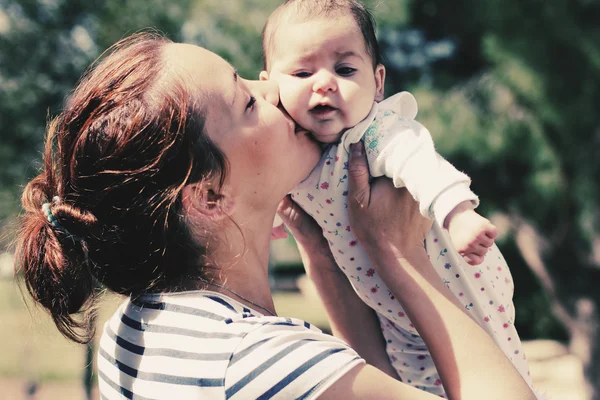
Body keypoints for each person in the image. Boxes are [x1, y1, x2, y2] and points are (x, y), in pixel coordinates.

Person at [14, 33, 539, 399]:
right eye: (247, 101)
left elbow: (374, 385)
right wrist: (401, 256)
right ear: (209, 198)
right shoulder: (254, 361)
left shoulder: (132, 335)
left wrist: (324, 255)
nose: (277, 92)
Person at [260, 0, 533, 395]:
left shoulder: (375, 133)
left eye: (345, 69)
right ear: (271, 85)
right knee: (415, 376)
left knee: (492, 357)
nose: (324, 83)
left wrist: (458, 214)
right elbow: (267, 186)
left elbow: (420, 161)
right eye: (302, 72)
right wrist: (267, 219)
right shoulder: (294, 149)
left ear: (378, 82)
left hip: (453, 277)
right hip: (387, 301)